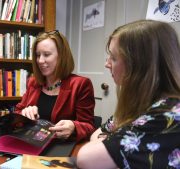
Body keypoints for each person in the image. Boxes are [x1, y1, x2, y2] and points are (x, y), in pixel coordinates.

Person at [77, 20, 180, 169]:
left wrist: (111, 139)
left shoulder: (169, 111)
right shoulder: (144, 101)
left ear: (138, 64)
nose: (107, 64)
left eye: (113, 57)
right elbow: (98, 134)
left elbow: (86, 158)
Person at [15, 30, 95, 142]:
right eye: (38, 55)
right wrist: (23, 114)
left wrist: (74, 127)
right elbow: (16, 114)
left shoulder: (80, 85)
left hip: (61, 149)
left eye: (46, 55)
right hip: (32, 146)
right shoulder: (33, 82)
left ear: (61, 56)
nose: (40, 61)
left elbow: (89, 127)